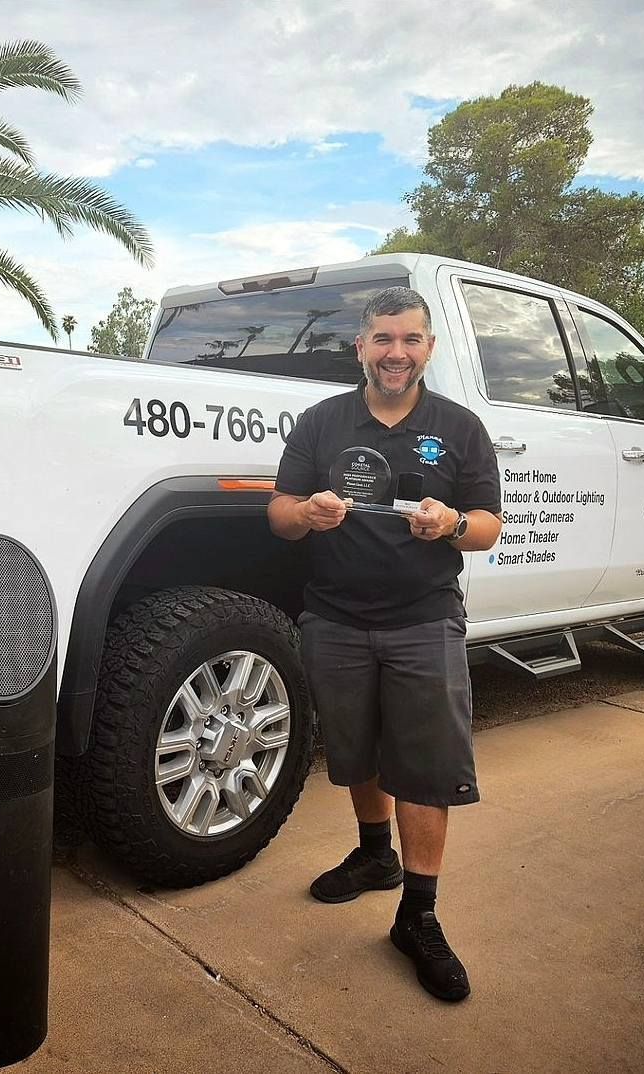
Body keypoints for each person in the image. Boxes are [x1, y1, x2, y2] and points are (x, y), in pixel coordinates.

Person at [267, 286, 502, 1002]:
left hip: (424, 617)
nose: (396, 352)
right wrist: (306, 512)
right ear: (360, 347)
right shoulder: (321, 422)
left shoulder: (459, 428)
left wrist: (452, 523)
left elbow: (490, 525)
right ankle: (376, 859)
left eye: (410, 339)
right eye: (382, 339)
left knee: (425, 768)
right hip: (334, 619)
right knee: (357, 751)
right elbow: (277, 514)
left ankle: (418, 915)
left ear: (429, 347)